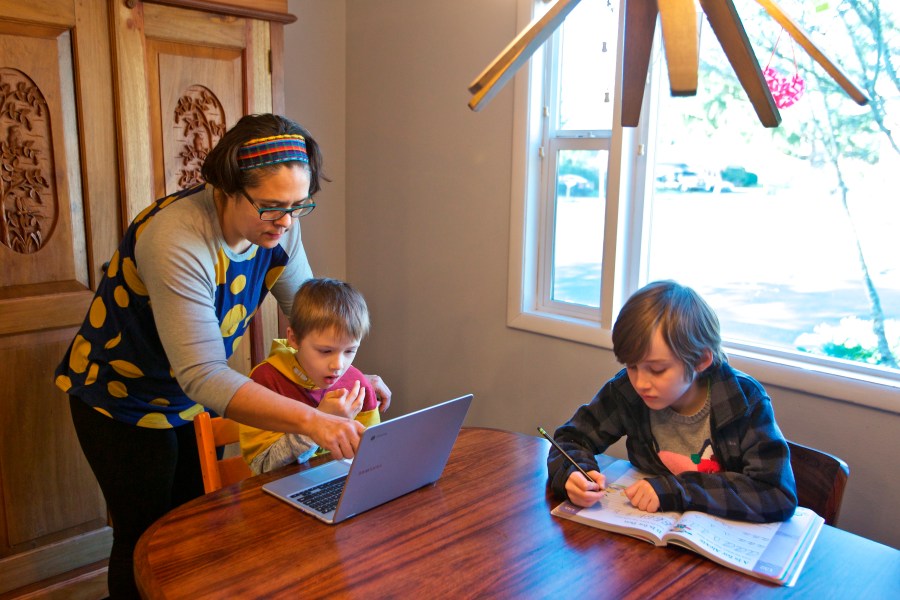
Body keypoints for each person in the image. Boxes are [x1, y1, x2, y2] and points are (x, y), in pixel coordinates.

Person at [53, 114, 391, 598]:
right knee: (144, 539)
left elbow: (313, 321)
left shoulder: (280, 228)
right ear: (226, 187)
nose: (287, 222)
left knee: (191, 529)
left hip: (186, 398)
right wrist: (315, 422)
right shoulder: (177, 238)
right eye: (273, 206)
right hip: (119, 397)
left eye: (300, 205)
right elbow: (204, 374)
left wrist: (350, 373)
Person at [547, 280, 797, 523]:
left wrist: (675, 490)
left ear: (700, 360)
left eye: (657, 370)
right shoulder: (627, 391)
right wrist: (574, 473)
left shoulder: (744, 400)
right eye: (632, 366)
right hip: (647, 538)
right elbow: (572, 439)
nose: (641, 382)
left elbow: (775, 493)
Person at [240, 277, 384, 474]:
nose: (338, 365)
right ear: (294, 339)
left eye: (350, 351)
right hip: (280, 492)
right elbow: (263, 467)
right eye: (325, 351)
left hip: (337, 489)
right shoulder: (265, 382)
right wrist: (319, 422)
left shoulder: (358, 387)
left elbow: (371, 458)